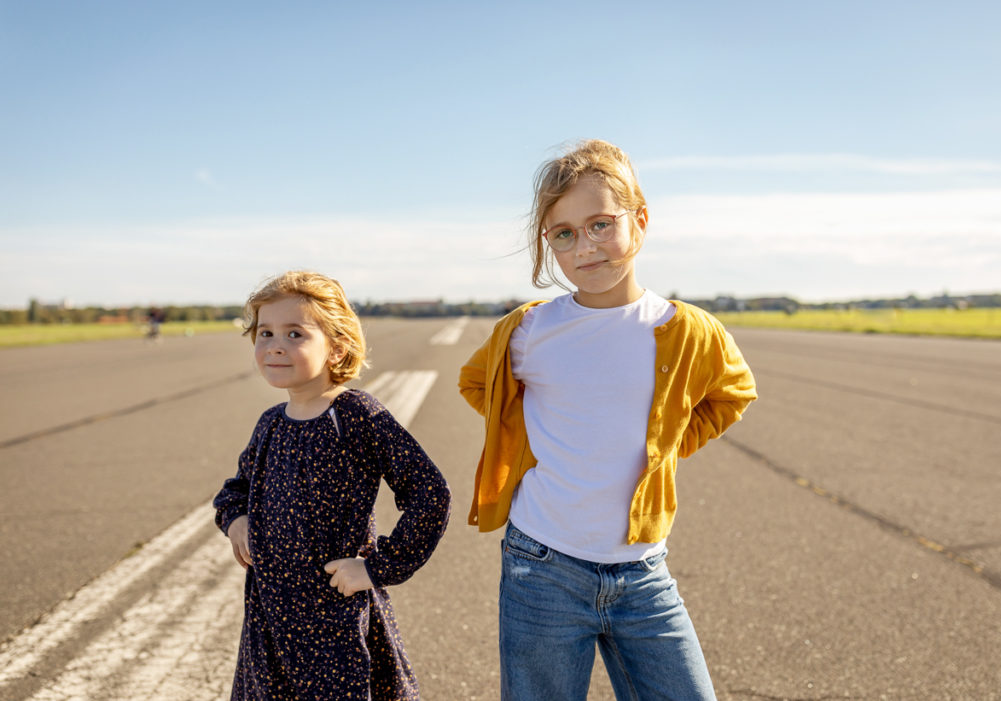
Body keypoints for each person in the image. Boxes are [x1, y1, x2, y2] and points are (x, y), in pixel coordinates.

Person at [458, 139, 757, 701]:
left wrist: (666, 445)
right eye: (564, 234)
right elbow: (478, 384)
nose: (584, 247)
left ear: (639, 219)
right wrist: (527, 440)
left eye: (600, 224)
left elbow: (733, 394)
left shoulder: (688, 328)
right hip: (540, 566)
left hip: (642, 572)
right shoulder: (528, 331)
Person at [214, 270, 451, 700]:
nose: (275, 345)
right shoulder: (270, 424)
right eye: (265, 333)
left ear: (336, 347)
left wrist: (379, 568)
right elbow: (235, 489)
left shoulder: (356, 416)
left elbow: (429, 494)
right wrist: (237, 521)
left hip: (336, 620)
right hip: (270, 620)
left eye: (295, 333)